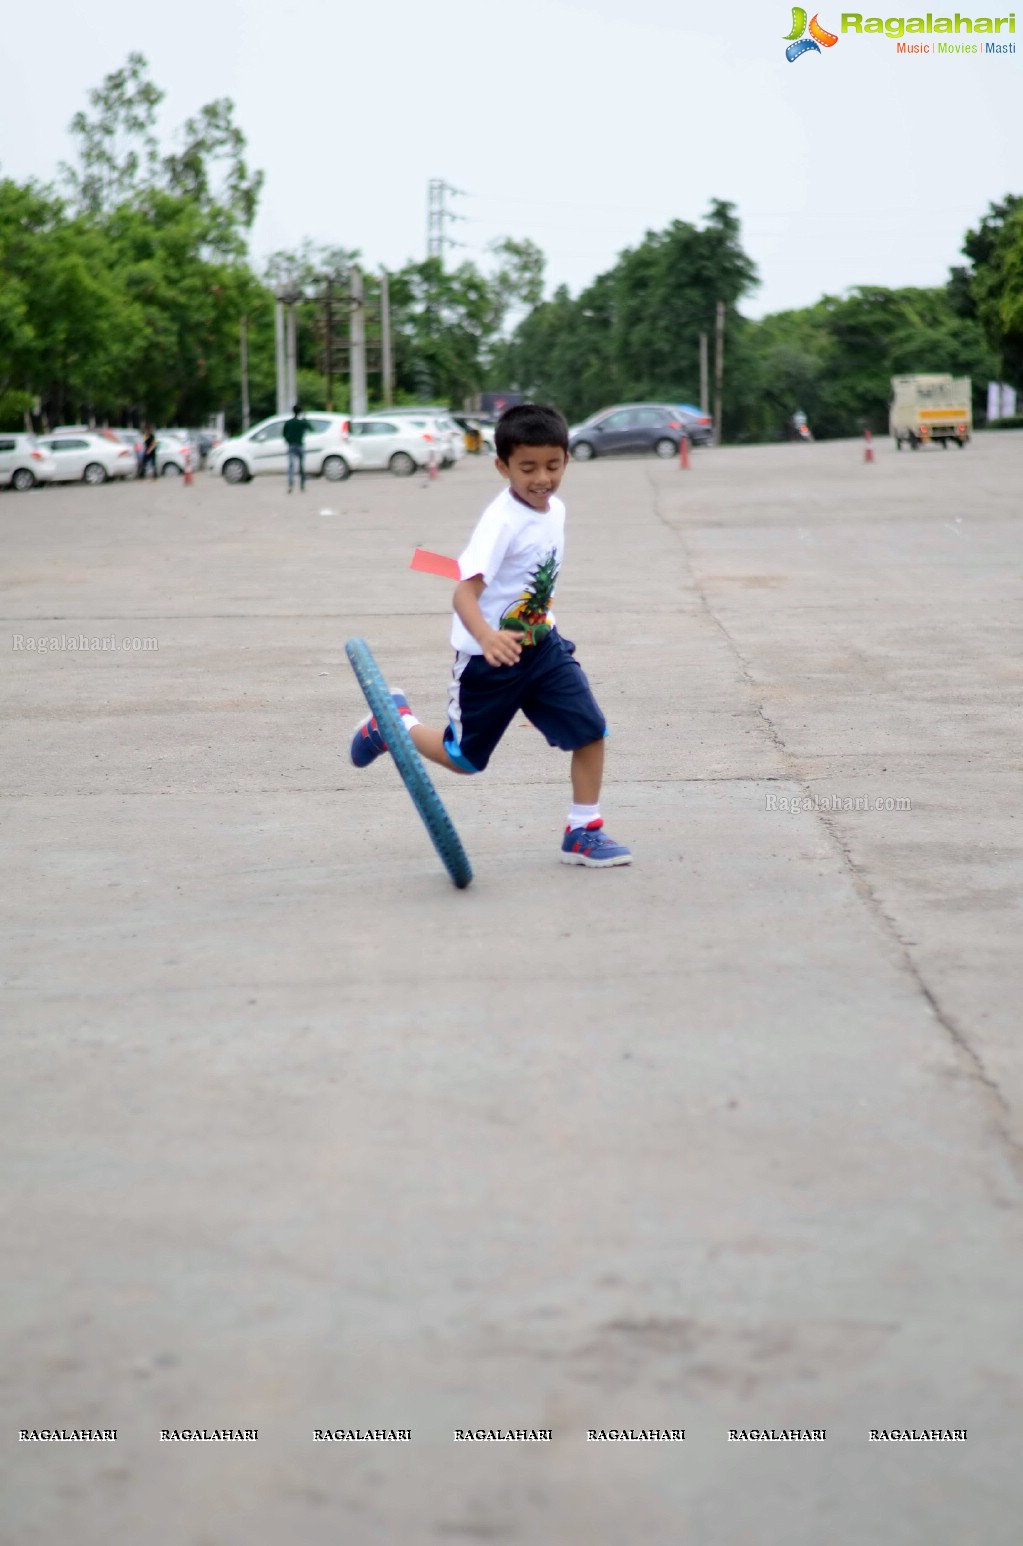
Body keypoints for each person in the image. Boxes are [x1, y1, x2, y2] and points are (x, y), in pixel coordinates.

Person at [349, 403, 632, 868]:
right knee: (463, 760)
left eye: (553, 465)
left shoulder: (555, 509)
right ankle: (392, 724)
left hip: (543, 649)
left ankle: (584, 830)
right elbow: (464, 593)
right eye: (527, 468)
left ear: (567, 459)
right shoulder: (500, 522)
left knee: (591, 731)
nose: (541, 478)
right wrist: (487, 638)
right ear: (502, 466)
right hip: (488, 660)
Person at [284, 404, 314, 492]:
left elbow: (284, 434)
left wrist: (288, 440)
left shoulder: (289, 422)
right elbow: (311, 428)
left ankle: (290, 484)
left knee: (291, 466)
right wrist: (305, 418)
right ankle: (302, 485)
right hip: (300, 445)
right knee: (301, 466)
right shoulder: (302, 423)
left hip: (291, 445)